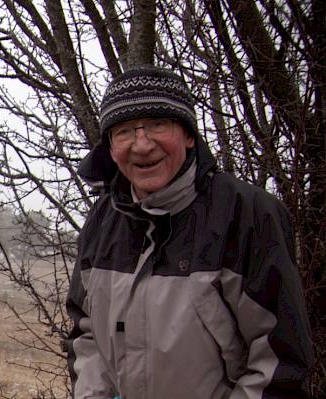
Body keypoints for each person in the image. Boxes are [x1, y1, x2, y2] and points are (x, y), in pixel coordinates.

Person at [67, 66, 314, 398]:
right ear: (110, 148)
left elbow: (279, 365)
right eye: (124, 131)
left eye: (157, 124)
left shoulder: (247, 215)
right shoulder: (102, 220)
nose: (141, 144)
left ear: (188, 134)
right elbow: (86, 335)